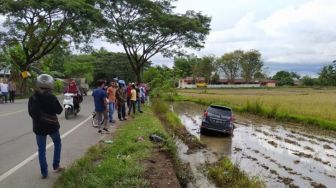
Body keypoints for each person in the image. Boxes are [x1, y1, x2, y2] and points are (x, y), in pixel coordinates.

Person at [28, 74, 64, 179]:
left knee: (41, 150)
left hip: (39, 127)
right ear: (50, 85)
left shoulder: (33, 97)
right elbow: (60, 111)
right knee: (57, 143)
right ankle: (56, 165)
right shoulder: (52, 97)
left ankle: (44, 173)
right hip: (52, 126)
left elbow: (31, 113)